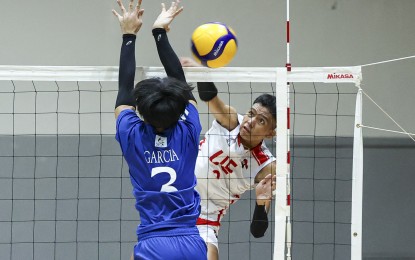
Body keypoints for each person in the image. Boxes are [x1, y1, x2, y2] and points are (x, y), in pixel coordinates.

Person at [112, 1, 207, 259]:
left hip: (153, 242)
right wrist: (159, 32)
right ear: (180, 110)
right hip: (191, 241)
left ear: (140, 110)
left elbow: (124, 91)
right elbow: (180, 80)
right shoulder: (189, 130)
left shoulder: (131, 134)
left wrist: (129, 35)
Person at [180, 57, 277, 260]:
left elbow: (258, 231)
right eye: (251, 113)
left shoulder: (266, 168)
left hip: (205, 220)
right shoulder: (231, 121)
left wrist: (261, 203)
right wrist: (201, 73)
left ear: (270, 133)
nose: (250, 122)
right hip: (174, 203)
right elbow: (210, 98)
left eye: (261, 121)